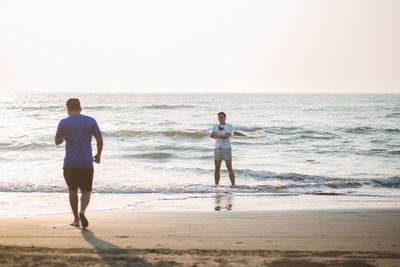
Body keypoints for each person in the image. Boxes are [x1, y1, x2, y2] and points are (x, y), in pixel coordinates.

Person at [55, 98, 103, 229]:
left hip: (70, 163)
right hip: (86, 162)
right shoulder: (90, 120)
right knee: (86, 190)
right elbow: (99, 139)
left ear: (68, 109)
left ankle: (76, 219)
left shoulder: (64, 122)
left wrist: (65, 136)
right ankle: (82, 212)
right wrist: (98, 155)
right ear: (80, 108)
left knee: (72, 191)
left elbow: (57, 141)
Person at [210, 112, 235, 186]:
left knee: (229, 167)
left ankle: (233, 185)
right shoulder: (215, 126)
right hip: (217, 149)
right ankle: (216, 185)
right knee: (217, 168)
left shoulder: (229, 126)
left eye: (222, 117)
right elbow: (211, 134)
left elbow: (227, 135)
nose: (220, 119)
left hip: (226, 149)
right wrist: (213, 135)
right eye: (219, 117)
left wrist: (218, 136)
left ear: (225, 117)